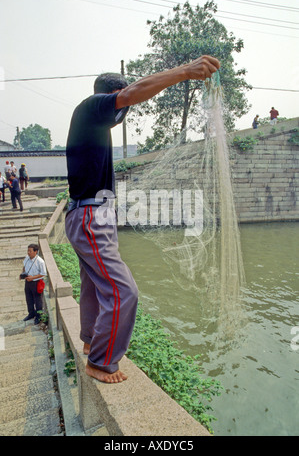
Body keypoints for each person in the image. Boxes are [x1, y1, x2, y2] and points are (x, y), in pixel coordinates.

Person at [65, 55, 220, 384]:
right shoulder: (93, 107)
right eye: (124, 102)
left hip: (88, 214)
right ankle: (102, 362)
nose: (126, 112)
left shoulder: (93, 123)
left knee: (94, 284)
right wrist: (184, 72)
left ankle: (92, 341)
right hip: (91, 217)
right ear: (115, 94)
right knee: (124, 292)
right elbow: (134, 92)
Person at [20, 244, 47, 325]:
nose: (28, 252)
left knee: (38, 300)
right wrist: (22, 274)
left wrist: (33, 277)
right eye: (28, 251)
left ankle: (38, 316)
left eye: (30, 251)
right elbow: (24, 266)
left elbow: (43, 273)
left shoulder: (40, 261)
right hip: (27, 282)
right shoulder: (27, 258)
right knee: (29, 298)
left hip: (36, 282)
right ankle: (31, 313)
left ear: (35, 252)